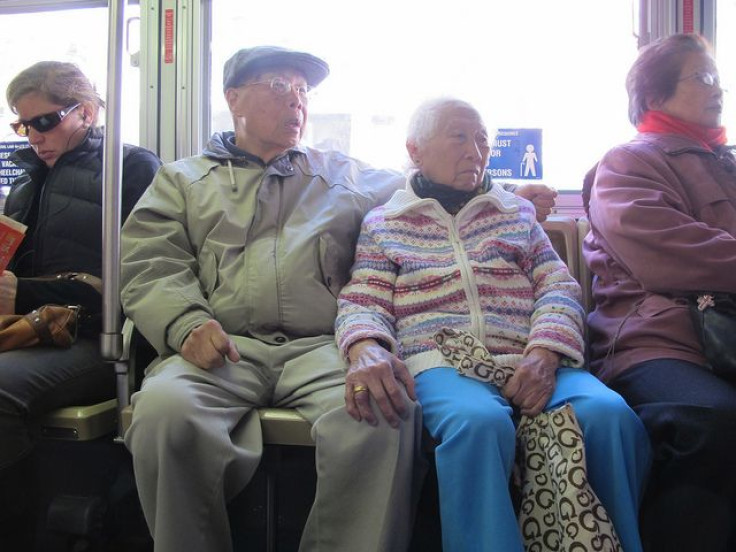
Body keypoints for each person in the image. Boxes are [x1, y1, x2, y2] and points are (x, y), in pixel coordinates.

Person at [120, 46, 558, 552]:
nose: (297, 103)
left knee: (385, 411)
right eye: (280, 87)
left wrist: (502, 197)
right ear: (233, 98)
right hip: (221, 347)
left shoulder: (346, 176)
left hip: (322, 349)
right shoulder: (181, 180)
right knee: (164, 414)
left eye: (303, 92)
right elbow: (152, 263)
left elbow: (433, 186)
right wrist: (184, 324)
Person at [335, 96, 651, 552]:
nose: (475, 150)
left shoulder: (515, 214)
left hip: (532, 356)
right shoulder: (386, 223)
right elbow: (363, 298)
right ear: (415, 149)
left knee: (610, 416)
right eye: (459, 137)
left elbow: (559, 288)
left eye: (482, 139)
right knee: (478, 423)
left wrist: (544, 352)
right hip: (442, 363)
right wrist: (364, 344)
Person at [582, 33, 736, 552]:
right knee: (712, 421)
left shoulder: (727, 163)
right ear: (653, 95)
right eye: (703, 77)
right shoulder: (628, 163)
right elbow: (670, 252)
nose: (719, 89)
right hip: (656, 339)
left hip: (727, 336)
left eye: (718, 77)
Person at [0, 61, 161, 548]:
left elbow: (140, 280)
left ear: (86, 112)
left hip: (96, 336)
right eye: (22, 125)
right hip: (27, 328)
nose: (32, 136)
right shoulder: (25, 184)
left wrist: (24, 294)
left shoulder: (130, 169)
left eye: (44, 121)